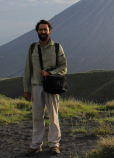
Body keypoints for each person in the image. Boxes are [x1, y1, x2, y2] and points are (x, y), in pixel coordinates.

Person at [23, 19, 67, 156]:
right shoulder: (32, 48)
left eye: (45, 29)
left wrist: (50, 73)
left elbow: (63, 67)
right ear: (37, 31)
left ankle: (54, 144)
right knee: (37, 116)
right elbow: (27, 70)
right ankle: (36, 145)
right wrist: (26, 89)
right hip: (36, 86)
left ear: (50, 31)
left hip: (52, 86)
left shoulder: (56, 47)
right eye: (41, 29)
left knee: (53, 115)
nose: (43, 32)